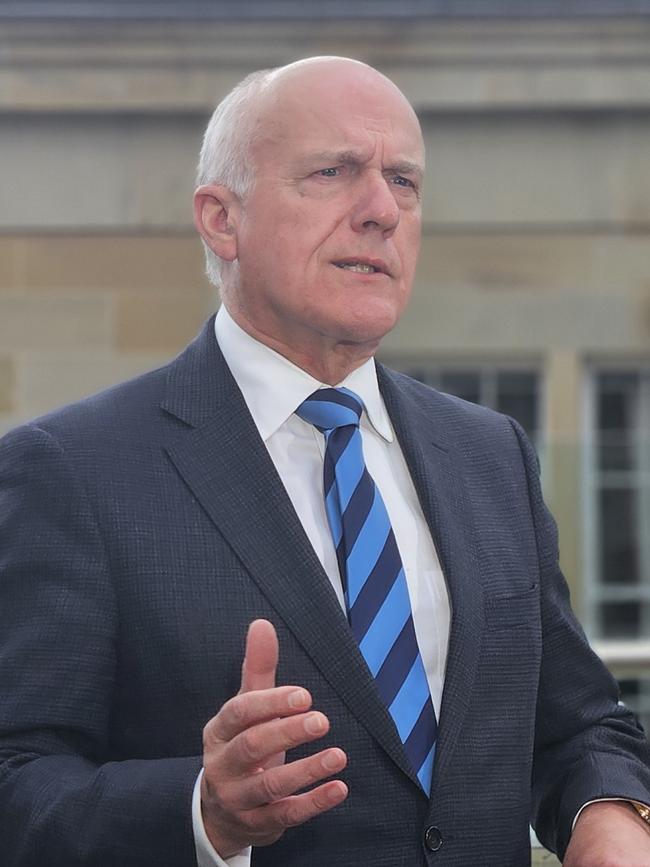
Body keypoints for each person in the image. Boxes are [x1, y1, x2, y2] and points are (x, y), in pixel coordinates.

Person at [0, 56, 649, 867]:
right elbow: (16, 782)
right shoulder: (70, 471)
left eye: (404, 182)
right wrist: (204, 810)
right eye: (333, 172)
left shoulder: (490, 454)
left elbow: (578, 722)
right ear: (220, 219)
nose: (381, 209)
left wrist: (609, 824)